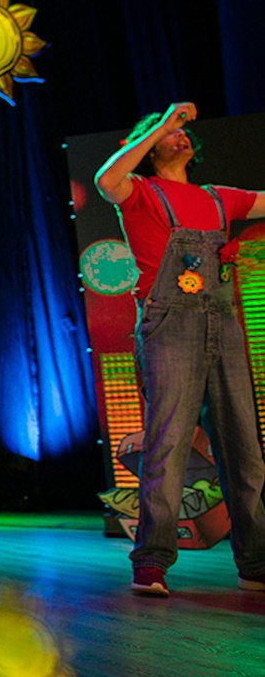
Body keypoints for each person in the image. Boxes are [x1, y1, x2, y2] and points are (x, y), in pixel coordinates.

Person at [94, 101, 265, 596]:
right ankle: (151, 560)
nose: (180, 135)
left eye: (184, 131)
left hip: (223, 324)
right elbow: (106, 178)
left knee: (243, 446)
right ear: (149, 146)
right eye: (170, 132)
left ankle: (255, 560)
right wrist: (161, 122)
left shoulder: (217, 198)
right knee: (168, 442)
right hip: (170, 324)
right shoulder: (139, 191)